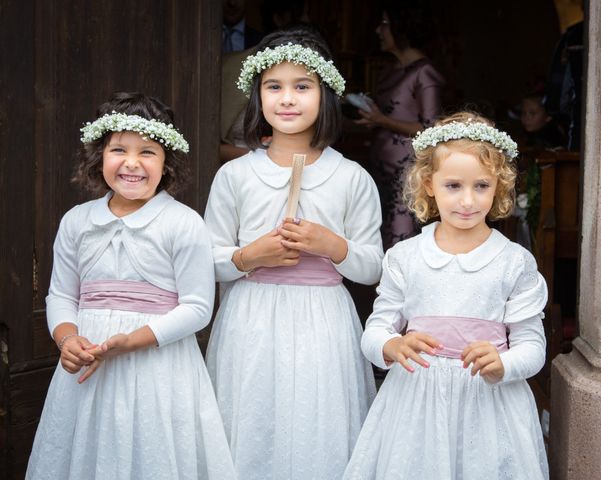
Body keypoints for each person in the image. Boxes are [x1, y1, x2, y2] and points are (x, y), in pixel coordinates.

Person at [26, 92, 236, 480]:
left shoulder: (182, 223)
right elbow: (62, 295)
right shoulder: (77, 221)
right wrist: (67, 339)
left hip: (157, 365)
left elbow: (196, 307)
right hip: (87, 368)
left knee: (150, 452)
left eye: (148, 152)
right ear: (99, 156)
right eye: (118, 149)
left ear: (167, 162)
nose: (132, 163)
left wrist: (132, 341)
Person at [204, 27, 383, 479]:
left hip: (323, 319)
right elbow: (207, 258)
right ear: (256, 95)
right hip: (251, 317)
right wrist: (249, 257)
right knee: (252, 418)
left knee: (315, 421)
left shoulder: (352, 178)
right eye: (274, 87)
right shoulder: (236, 176)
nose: (288, 98)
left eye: (302, 86)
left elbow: (373, 267)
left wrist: (332, 246)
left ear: (326, 94)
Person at [344, 112, 549, 479]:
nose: (468, 201)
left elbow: (532, 346)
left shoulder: (514, 262)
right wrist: (390, 346)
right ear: (428, 183)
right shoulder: (405, 257)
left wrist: (505, 364)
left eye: (482, 186)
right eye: (453, 186)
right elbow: (376, 328)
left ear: (499, 185)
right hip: (417, 404)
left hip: (489, 404)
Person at [355, 0, 444, 250]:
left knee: (399, 242)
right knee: (375, 241)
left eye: (384, 24)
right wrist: (372, 119)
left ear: (402, 28)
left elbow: (431, 129)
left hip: (405, 176)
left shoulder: (424, 72)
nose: (378, 30)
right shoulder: (390, 69)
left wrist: (382, 119)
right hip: (380, 170)